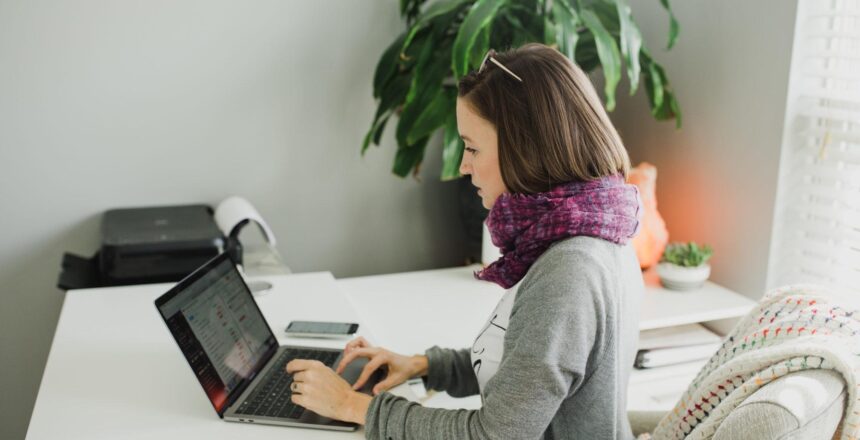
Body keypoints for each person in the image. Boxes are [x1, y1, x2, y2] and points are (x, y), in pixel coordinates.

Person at [284, 43, 645, 439]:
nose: (463, 166)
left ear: (525, 149)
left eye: (472, 147)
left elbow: (492, 435)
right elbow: (526, 370)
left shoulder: (570, 272)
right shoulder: (601, 225)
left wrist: (353, 406)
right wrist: (425, 366)